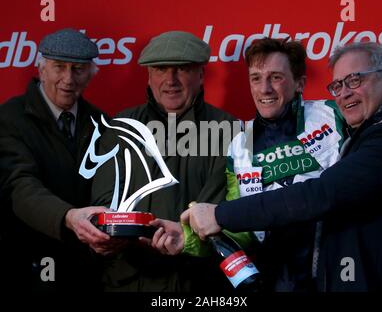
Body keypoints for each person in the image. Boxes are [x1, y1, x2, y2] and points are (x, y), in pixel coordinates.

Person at [149, 38, 382, 292]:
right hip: (275, 282)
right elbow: (243, 231)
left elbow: (375, 112)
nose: (264, 88)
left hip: (338, 275)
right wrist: (189, 237)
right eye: (256, 78)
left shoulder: (332, 113)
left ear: (299, 83)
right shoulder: (239, 143)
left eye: (276, 77)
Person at [90, 31, 237, 291]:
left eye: (182, 69)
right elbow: (104, 202)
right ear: (148, 76)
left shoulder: (228, 129)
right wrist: (111, 231)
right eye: (160, 69)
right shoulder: (120, 127)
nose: (171, 80)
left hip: (196, 283)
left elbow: (222, 212)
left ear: (201, 75)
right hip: (127, 280)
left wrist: (179, 238)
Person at [0, 28, 112, 291]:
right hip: (26, 262)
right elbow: (19, 186)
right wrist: (68, 217)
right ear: (42, 68)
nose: (68, 79)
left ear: (91, 73)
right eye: (58, 67)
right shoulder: (8, 119)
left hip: (89, 270)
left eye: (78, 69)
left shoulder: (103, 123)